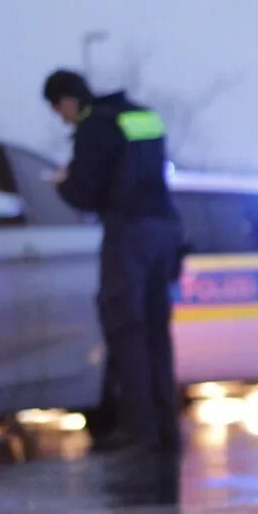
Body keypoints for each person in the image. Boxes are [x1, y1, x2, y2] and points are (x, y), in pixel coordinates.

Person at [42, 69, 183, 453]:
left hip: (129, 233)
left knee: (124, 326)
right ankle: (166, 427)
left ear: (68, 100)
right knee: (157, 331)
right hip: (165, 228)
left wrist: (63, 183)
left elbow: (86, 192)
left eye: (59, 111)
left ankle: (139, 429)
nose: (62, 119)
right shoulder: (143, 115)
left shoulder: (94, 128)